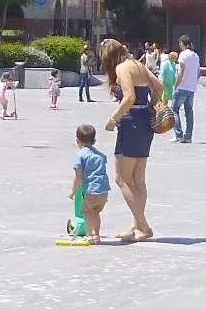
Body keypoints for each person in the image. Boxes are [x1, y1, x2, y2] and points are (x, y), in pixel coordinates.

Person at [100, 37, 158, 242]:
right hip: (145, 122)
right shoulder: (139, 65)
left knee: (122, 179)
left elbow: (129, 97)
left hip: (131, 122)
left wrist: (113, 119)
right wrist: (152, 106)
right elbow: (159, 86)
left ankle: (143, 225)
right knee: (138, 179)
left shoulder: (123, 68)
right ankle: (136, 226)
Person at [68, 123, 111, 242]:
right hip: (103, 190)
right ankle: (96, 235)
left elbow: (78, 176)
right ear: (94, 140)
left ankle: (89, 235)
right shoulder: (100, 155)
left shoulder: (81, 155)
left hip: (91, 190)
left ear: (77, 140)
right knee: (96, 212)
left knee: (87, 212)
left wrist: (73, 191)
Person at [173, 36, 200, 143]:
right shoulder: (196, 56)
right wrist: (194, 83)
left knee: (174, 110)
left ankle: (179, 135)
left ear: (183, 43)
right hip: (191, 88)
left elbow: (181, 72)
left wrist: (176, 85)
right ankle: (188, 136)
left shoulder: (183, 55)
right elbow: (198, 73)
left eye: (180, 43)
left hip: (182, 86)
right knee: (189, 112)